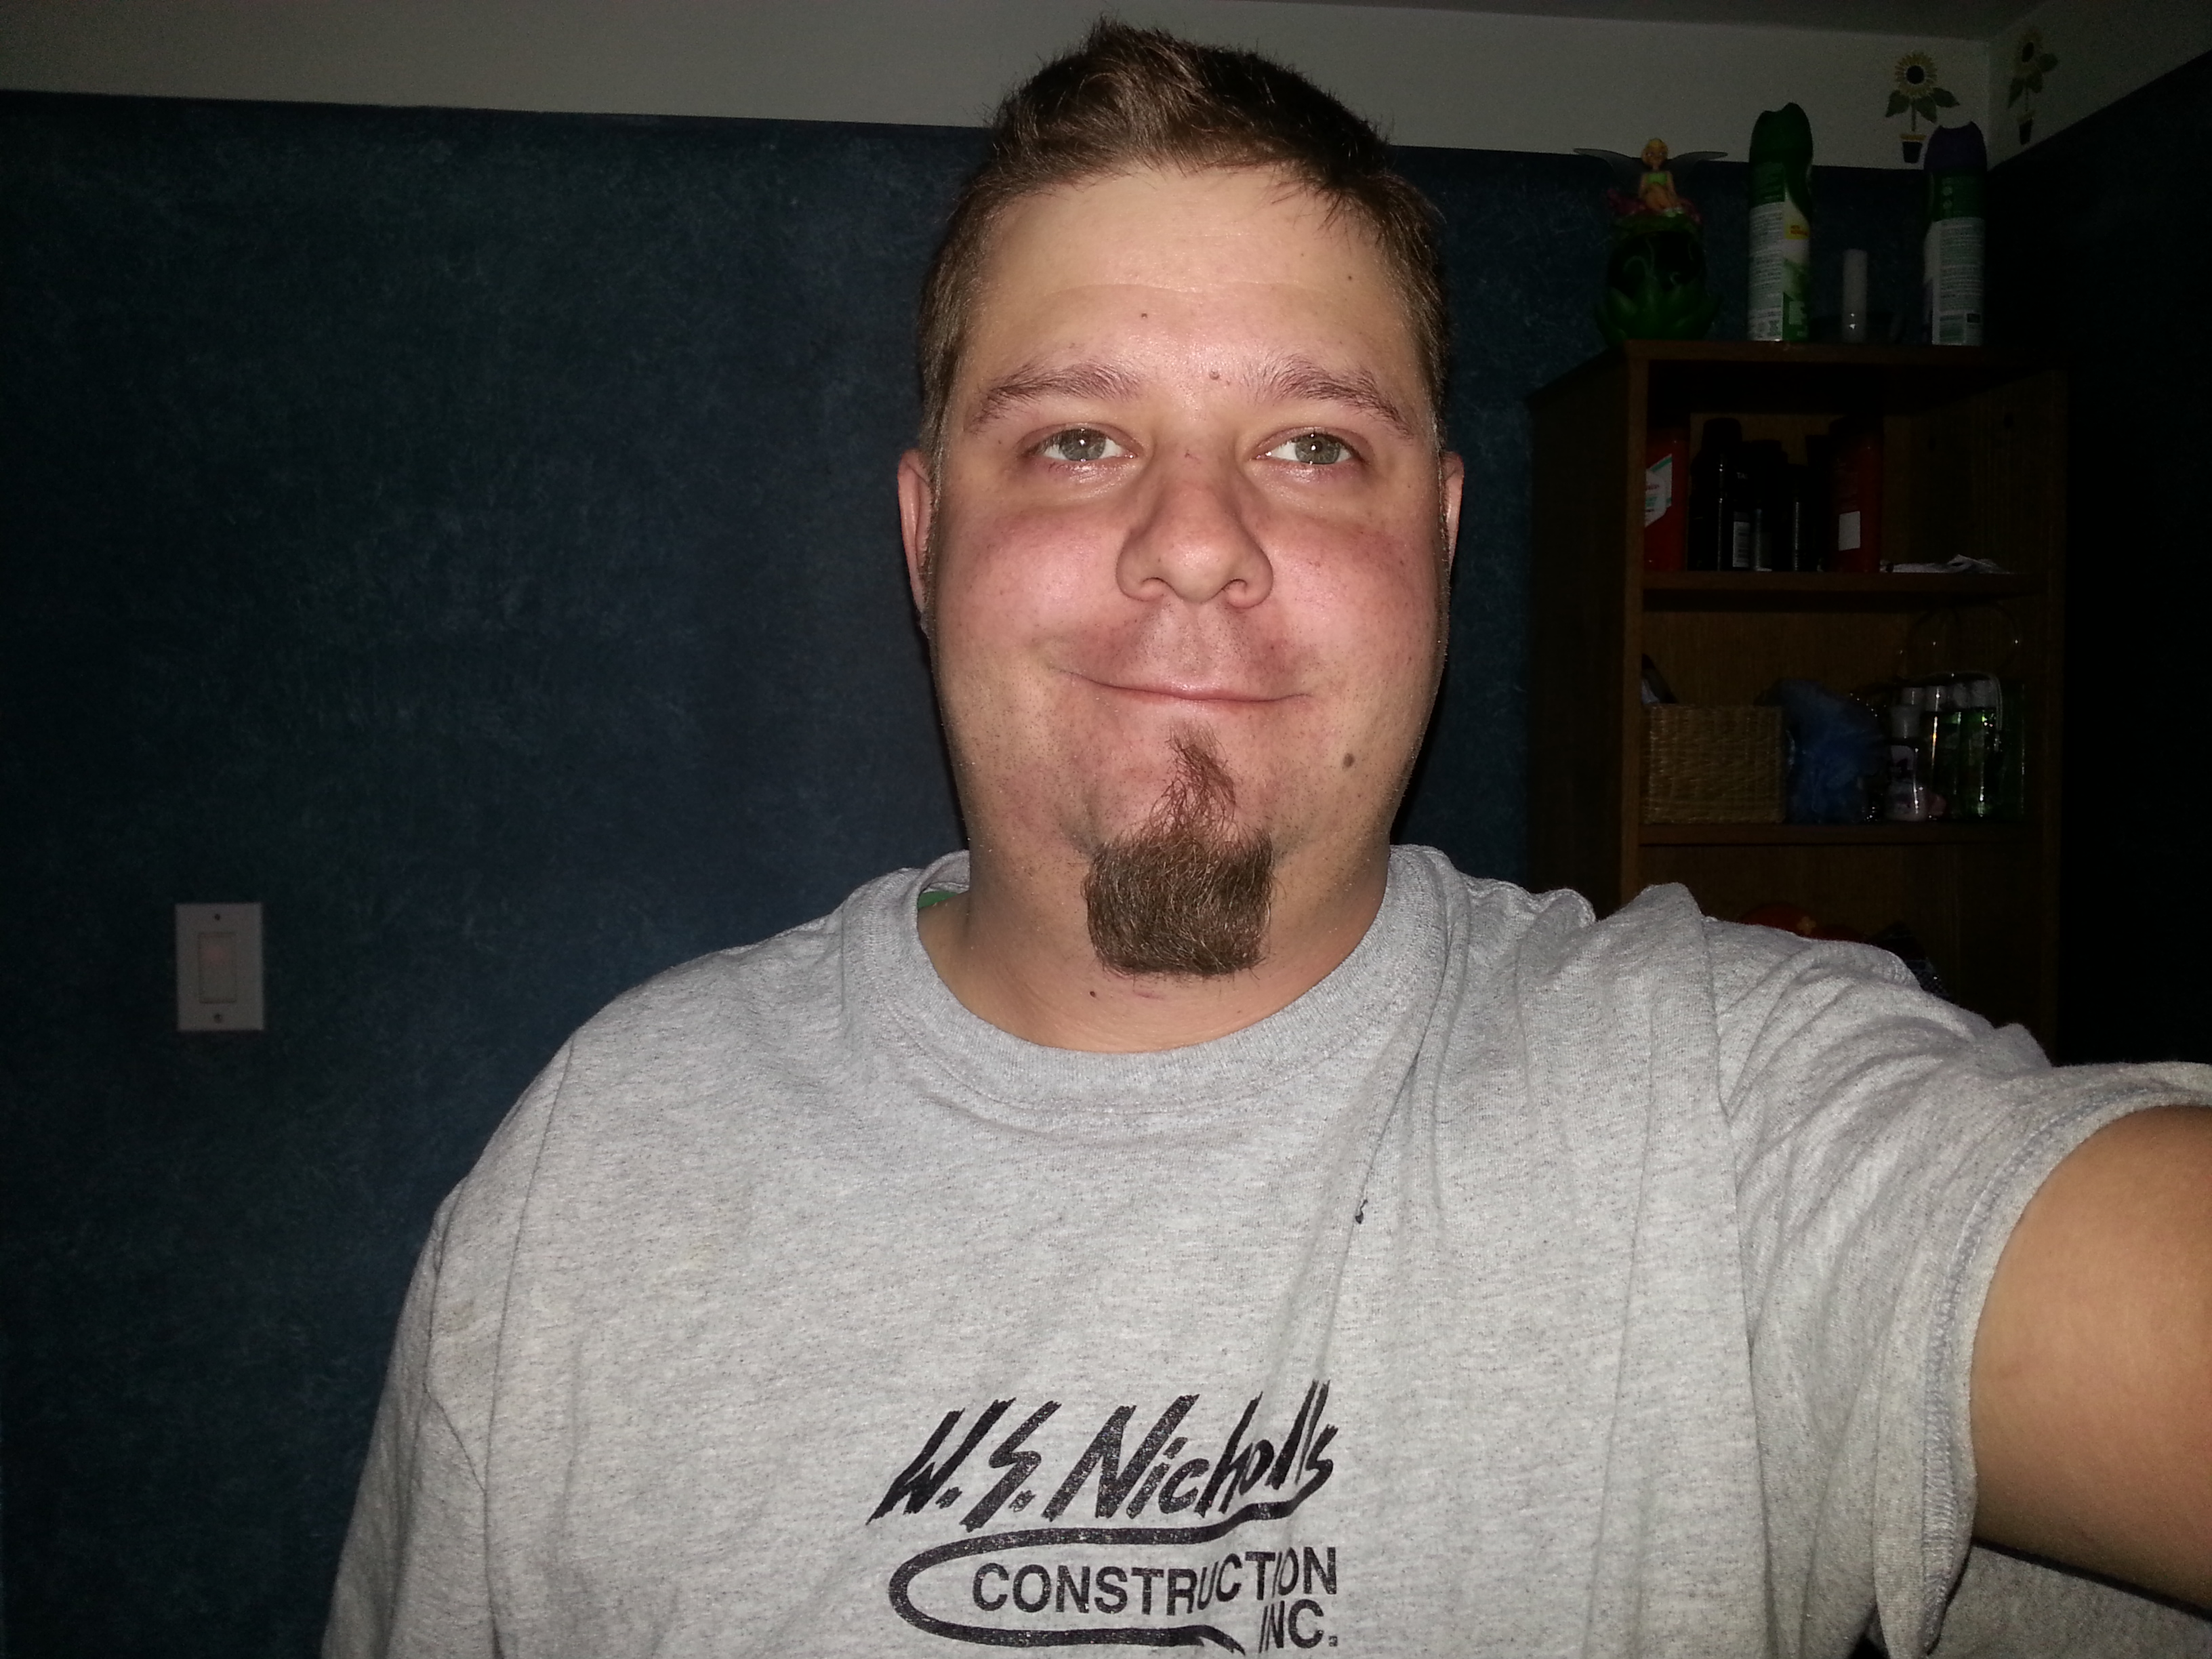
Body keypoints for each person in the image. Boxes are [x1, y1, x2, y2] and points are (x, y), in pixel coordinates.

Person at [324, 23, 2212, 1658]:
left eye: (1315, 446)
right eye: (1076, 438)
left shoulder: (1724, 1128)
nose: (1197, 543)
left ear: (1442, 542)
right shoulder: (599, 1189)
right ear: (923, 539)